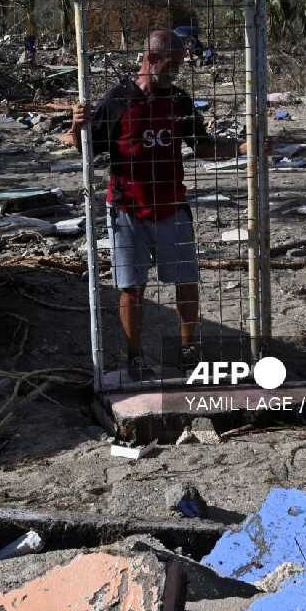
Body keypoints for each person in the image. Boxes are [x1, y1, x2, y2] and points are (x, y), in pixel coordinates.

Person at [65, 30, 241, 379]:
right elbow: (85, 150)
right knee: (132, 287)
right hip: (127, 210)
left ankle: (188, 349)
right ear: (152, 59)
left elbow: (203, 146)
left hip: (172, 206)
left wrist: (243, 149)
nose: (176, 72)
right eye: (172, 65)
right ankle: (134, 357)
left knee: (186, 281)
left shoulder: (178, 101)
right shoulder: (117, 101)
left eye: (179, 65)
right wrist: (76, 127)